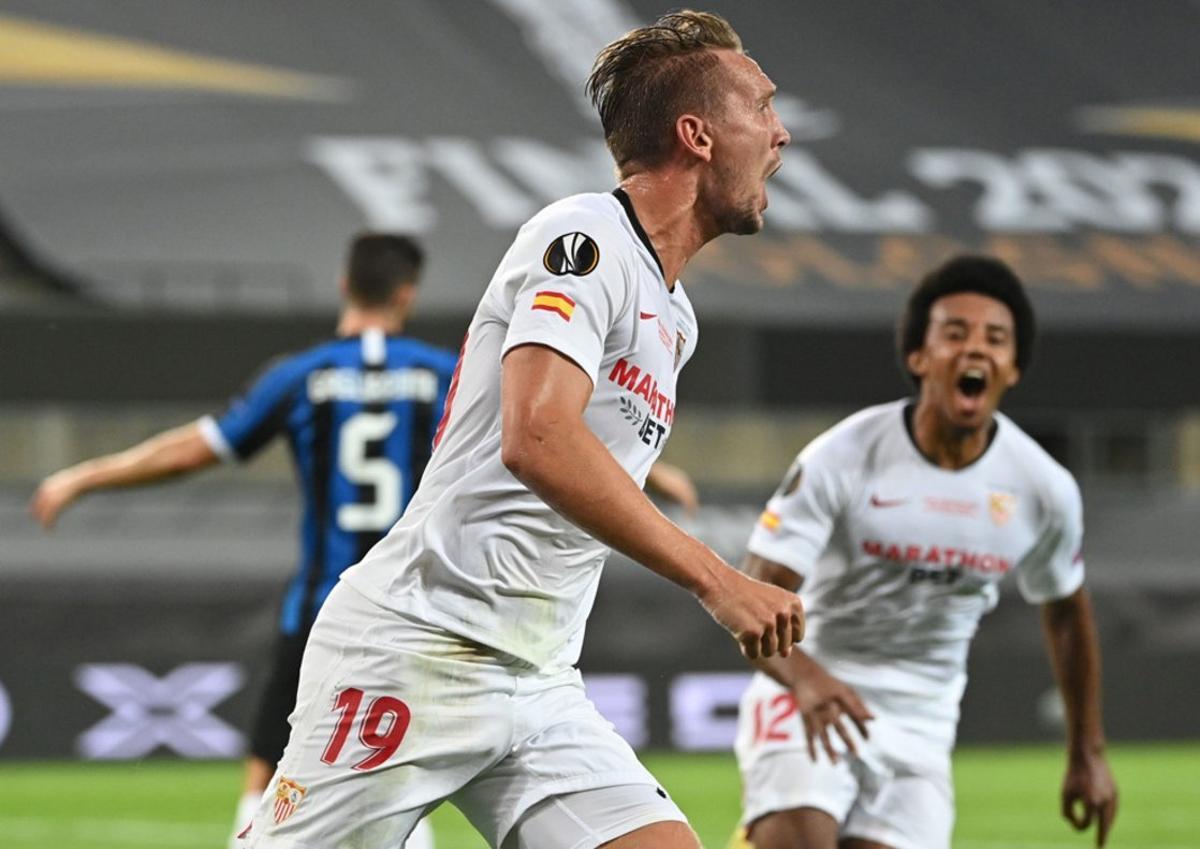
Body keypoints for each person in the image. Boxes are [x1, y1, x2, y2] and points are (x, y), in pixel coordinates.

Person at [234, 10, 801, 849]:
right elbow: (537, 437)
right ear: (698, 135)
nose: (780, 133)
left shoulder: (675, 315)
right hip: (420, 648)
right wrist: (717, 578)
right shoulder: (585, 237)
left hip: (537, 681)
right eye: (761, 107)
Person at [30, 232, 456, 849]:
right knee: (400, 768)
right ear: (407, 294)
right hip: (413, 612)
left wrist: (84, 476)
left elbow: (195, 450)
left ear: (345, 284)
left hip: (322, 608)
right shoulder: (444, 374)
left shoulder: (300, 376)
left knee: (270, 767)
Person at [732, 255, 1119, 849]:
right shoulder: (843, 456)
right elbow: (752, 595)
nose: (976, 348)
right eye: (955, 333)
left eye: (996, 338)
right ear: (919, 357)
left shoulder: (1043, 488)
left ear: (1013, 368)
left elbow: (1066, 610)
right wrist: (805, 679)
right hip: (810, 690)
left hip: (922, 725)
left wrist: (1086, 752)